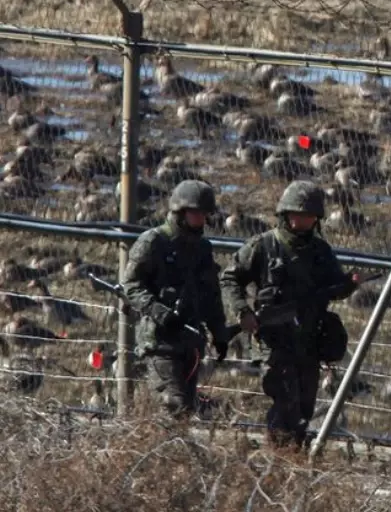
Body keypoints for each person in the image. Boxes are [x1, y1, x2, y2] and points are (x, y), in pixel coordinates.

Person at [220, 180, 359, 449]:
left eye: (309, 216)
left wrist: (350, 283)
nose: (303, 221)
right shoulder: (263, 245)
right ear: (285, 214)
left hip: (308, 342)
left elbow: (334, 289)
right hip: (274, 341)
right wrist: (243, 311)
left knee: (304, 411)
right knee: (285, 406)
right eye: (298, 214)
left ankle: (292, 460)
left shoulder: (320, 251)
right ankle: (280, 462)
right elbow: (230, 279)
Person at [122, 179, 230, 419]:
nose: (202, 220)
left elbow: (211, 295)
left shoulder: (202, 248)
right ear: (181, 212)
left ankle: (172, 452)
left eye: (204, 214)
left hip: (191, 342)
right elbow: (131, 285)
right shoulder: (153, 242)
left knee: (187, 409)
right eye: (196, 214)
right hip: (160, 341)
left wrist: (219, 333)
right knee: (173, 405)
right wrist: (159, 312)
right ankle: (166, 452)